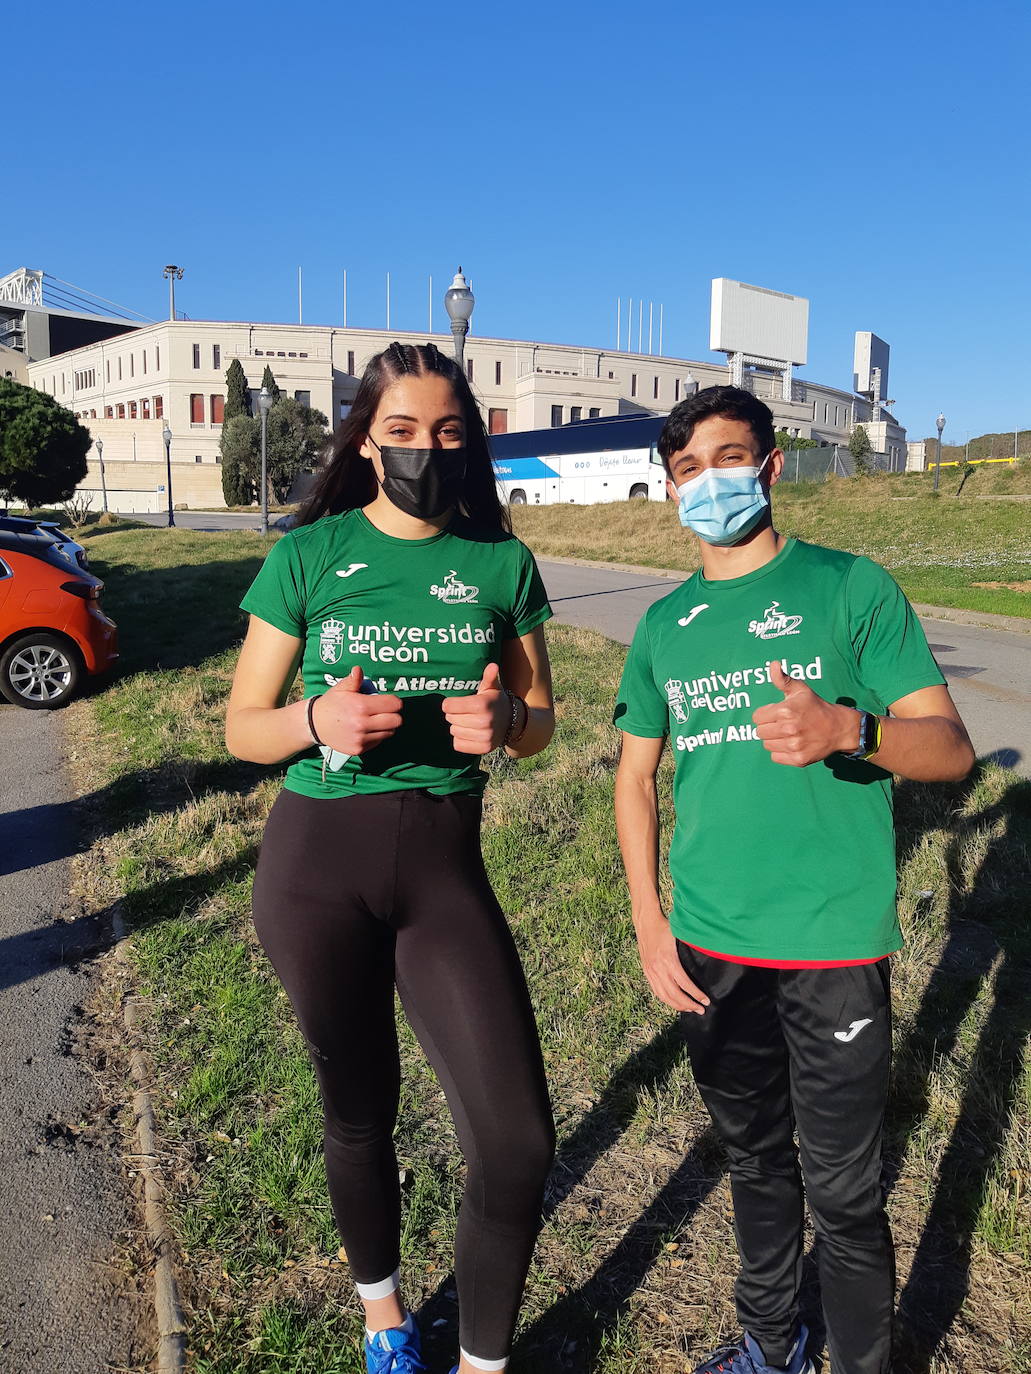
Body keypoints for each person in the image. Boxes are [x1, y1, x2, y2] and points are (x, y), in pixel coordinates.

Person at [613, 386, 974, 1374]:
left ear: (770, 468)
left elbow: (950, 750)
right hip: (710, 949)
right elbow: (634, 779)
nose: (708, 482)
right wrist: (650, 924)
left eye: (728, 459)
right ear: (670, 486)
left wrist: (847, 731)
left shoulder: (850, 589)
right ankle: (770, 1348)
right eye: (687, 468)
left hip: (831, 948)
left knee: (846, 1195)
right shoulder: (663, 627)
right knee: (757, 1166)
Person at [226, 341, 556, 1374]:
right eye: (403, 431)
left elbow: (543, 719)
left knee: (515, 1145)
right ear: (366, 442)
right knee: (360, 1112)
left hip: (442, 867)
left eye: (447, 433)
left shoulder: (502, 564)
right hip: (315, 869)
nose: (425, 449)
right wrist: (314, 716)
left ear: (470, 444)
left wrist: (507, 717)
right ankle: (385, 1321)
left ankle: (482, 1363)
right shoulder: (308, 555)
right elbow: (241, 727)